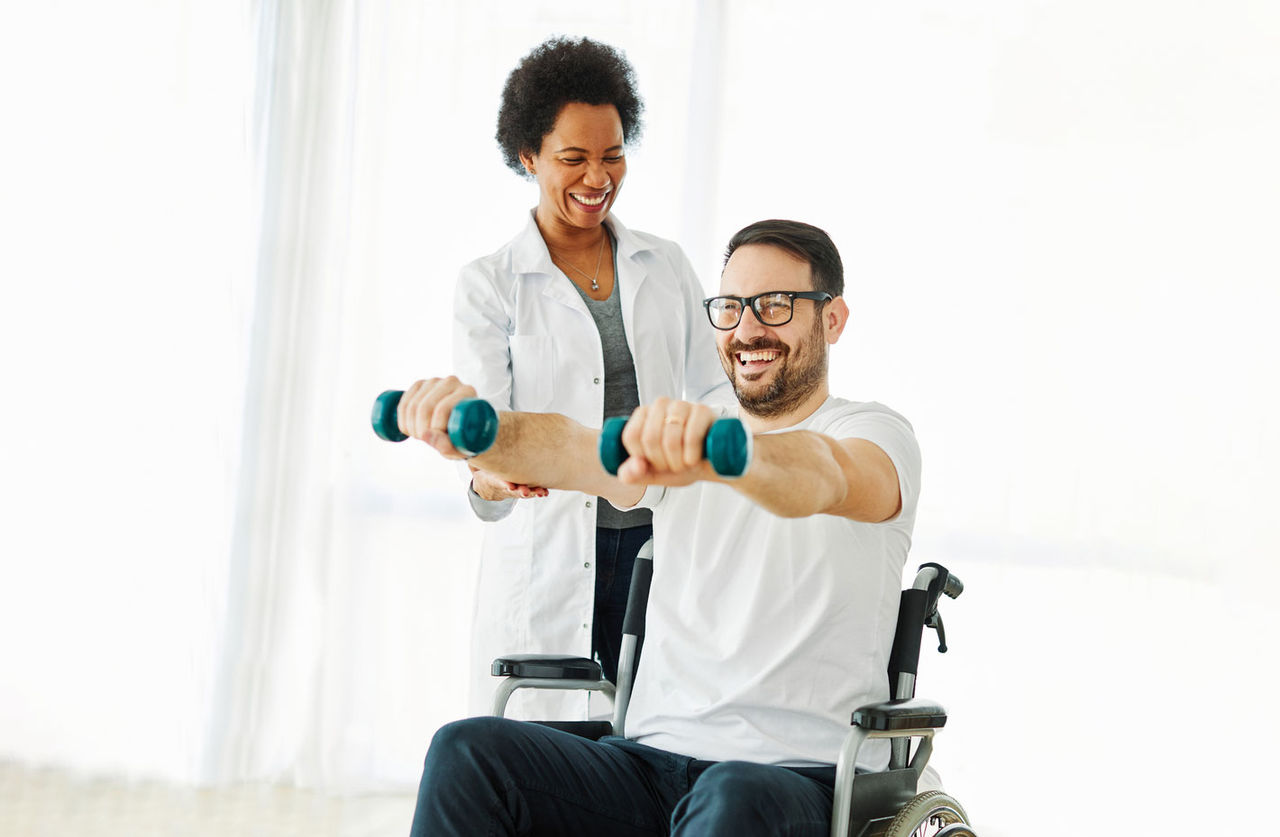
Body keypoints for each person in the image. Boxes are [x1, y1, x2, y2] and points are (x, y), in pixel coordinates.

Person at [399, 220, 923, 836]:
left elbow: (825, 476)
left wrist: (726, 452)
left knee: (731, 793)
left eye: (775, 306)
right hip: (649, 768)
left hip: (792, 780)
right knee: (469, 751)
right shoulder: (683, 433)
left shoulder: (872, 433)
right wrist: (477, 430)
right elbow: (568, 447)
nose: (748, 329)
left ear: (831, 320)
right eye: (730, 308)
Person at [453, 36, 731, 719]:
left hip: (656, 543)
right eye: (573, 158)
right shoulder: (490, 285)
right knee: (545, 764)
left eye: (612, 154)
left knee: (653, 748)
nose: (597, 176)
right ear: (528, 156)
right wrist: (487, 474)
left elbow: (716, 391)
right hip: (549, 550)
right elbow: (486, 430)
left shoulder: (663, 266)